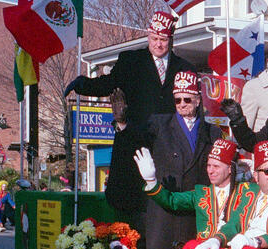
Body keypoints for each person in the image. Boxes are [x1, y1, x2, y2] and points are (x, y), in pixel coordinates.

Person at [64, 12, 196, 212]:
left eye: (163, 40)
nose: (158, 44)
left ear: (171, 39)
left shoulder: (184, 67)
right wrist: (81, 84)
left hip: (168, 145)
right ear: (148, 35)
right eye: (154, 39)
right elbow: (108, 84)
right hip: (133, 141)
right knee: (128, 202)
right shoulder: (131, 61)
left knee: (164, 202)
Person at [128, 71, 222, 249]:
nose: (181, 104)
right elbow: (137, 137)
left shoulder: (212, 131)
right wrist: (122, 125)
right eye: (177, 99)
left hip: (193, 210)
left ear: (197, 100)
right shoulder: (159, 124)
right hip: (164, 209)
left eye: (187, 99)